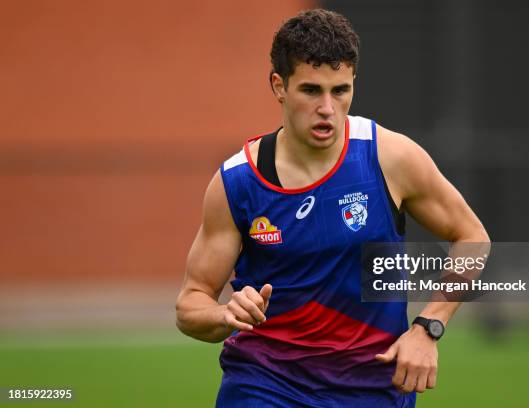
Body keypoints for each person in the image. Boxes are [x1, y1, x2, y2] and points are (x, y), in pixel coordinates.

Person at [176, 9, 489, 407]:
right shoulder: (238, 181)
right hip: (265, 385)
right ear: (279, 86)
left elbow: (473, 238)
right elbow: (190, 304)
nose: (327, 107)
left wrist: (429, 326)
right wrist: (224, 315)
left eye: (340, 90)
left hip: (373, 389)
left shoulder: (390, 158)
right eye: (311, 90)